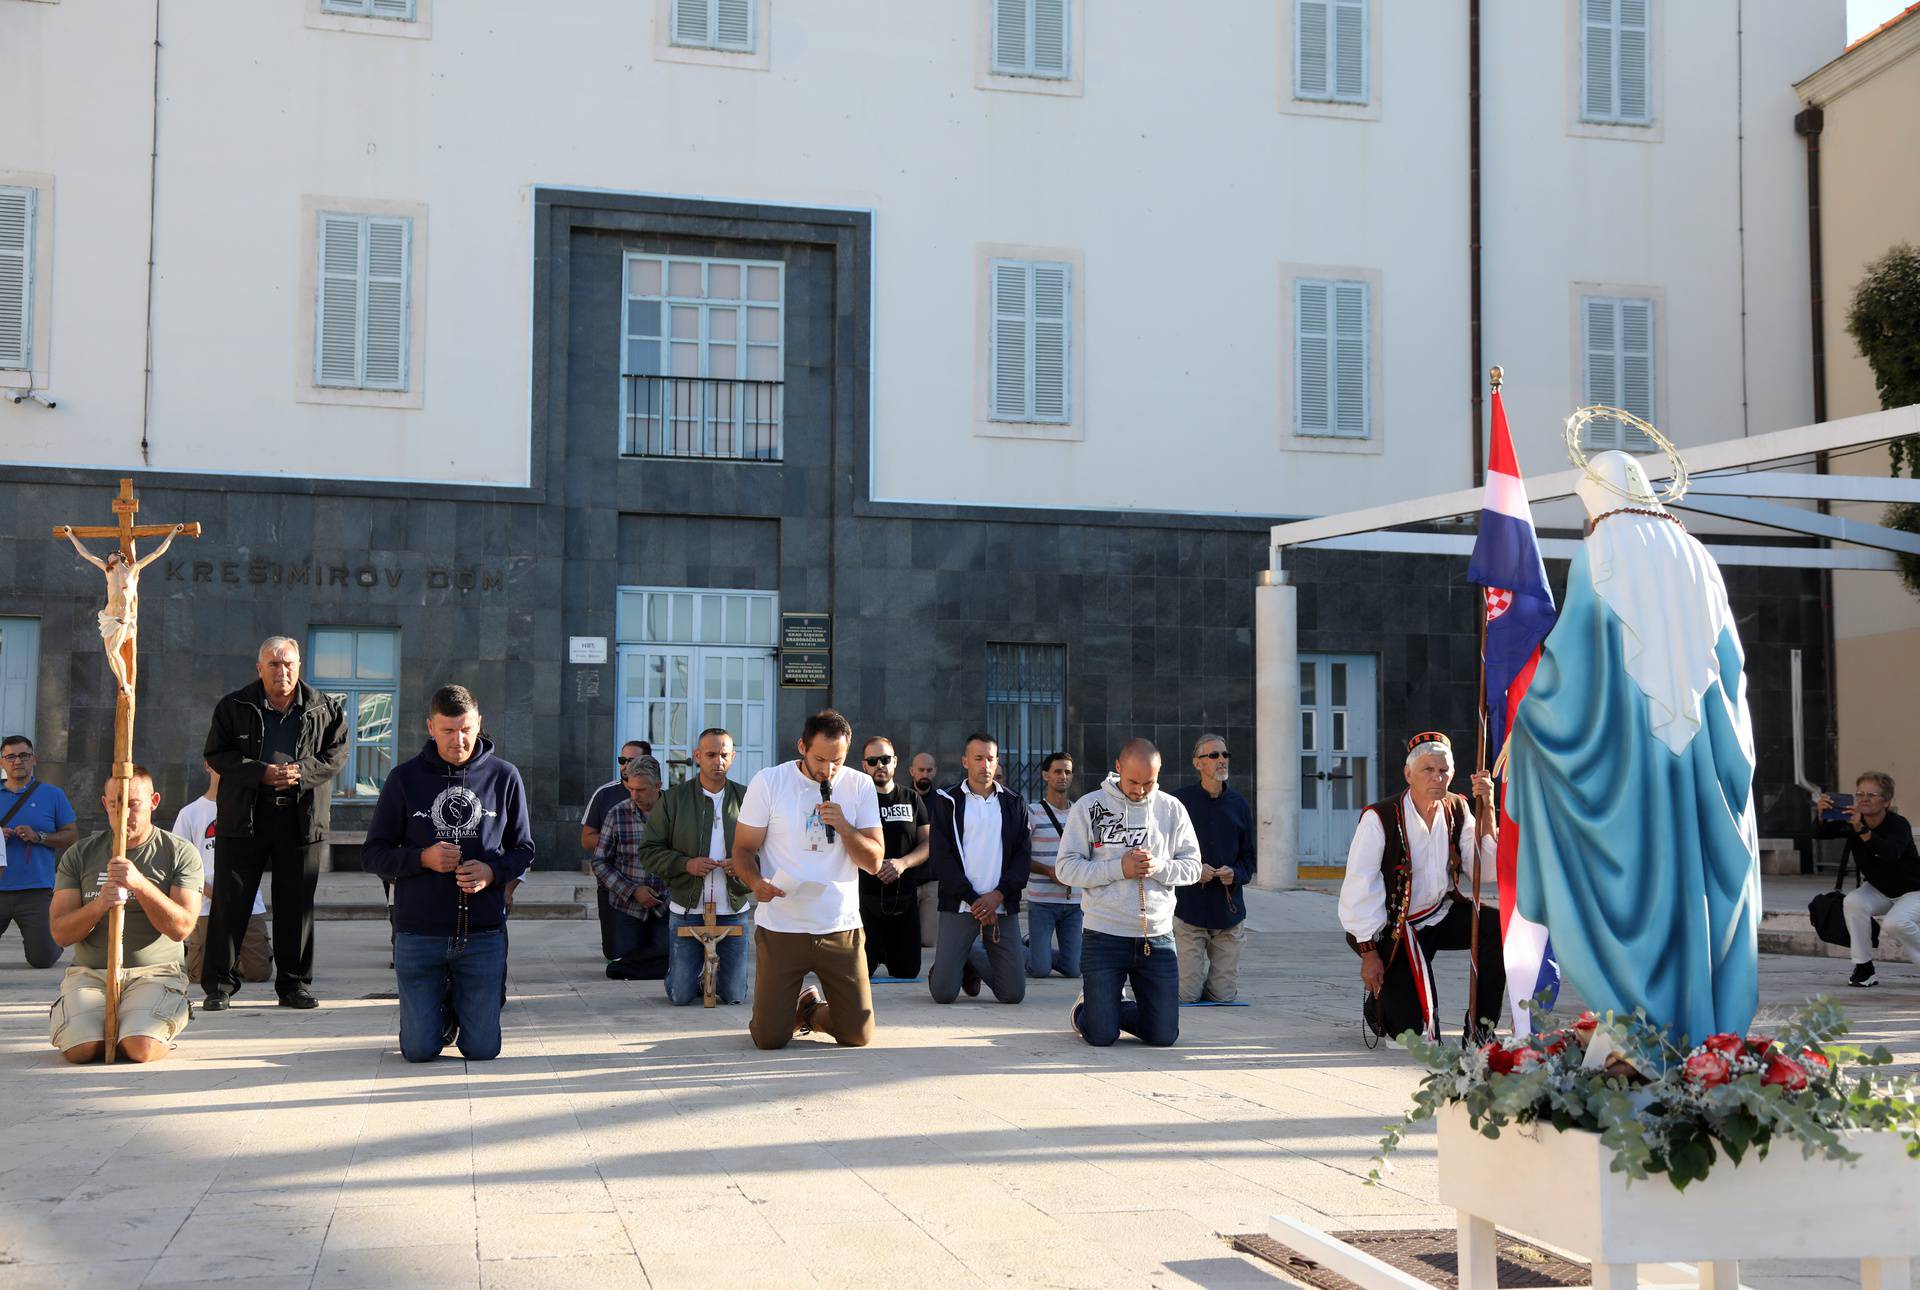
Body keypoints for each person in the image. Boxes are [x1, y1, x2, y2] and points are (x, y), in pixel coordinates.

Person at [1507, 450, 1761, 1045]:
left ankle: (1645, 1024)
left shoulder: (1600, 551)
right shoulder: (1700, 556)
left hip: (1629, 761)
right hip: (1700, 759)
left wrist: (1528, 715)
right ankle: (1709, 1039)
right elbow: (1732, 669)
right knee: (1696, 882)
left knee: (1636, 873)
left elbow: (1574, 664)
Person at [361, 685, 534, 1062]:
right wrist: (422, 858)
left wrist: (492, 871)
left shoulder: (505, 777)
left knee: (483, 1050)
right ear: (430, 727)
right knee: (420, 1051)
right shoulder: (404, 779)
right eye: (448, 731)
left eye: (466, 729)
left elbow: (524, 849)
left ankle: (462, 1007)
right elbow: (374, 853)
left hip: (483, 933)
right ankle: (437, 1012)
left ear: (479, 723)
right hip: (419, 932)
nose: (459, 740)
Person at [201, 636, 348, 1011]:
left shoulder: (324, 708)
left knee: (296, 905)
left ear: (299, 666)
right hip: (244, 817)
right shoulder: (234, 706)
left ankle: (294, 984)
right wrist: (261, 773)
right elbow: (217, 754)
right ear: (259, 668)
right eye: (274, 664)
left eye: (289, 664)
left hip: (301, 819)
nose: (282, 671)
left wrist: (300, 771)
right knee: (230, 903)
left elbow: (336, 754)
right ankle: (219, 984)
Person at [731, 710, 883, 1048]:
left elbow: (874, 862)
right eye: (820, 759)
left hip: (839, 925)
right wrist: (756, 884)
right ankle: (781, 1015)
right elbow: (742, 850)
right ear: (802, 746)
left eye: (837, 761)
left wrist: (844, 827)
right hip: (783, 925)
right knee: (769, 1039)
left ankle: (810, 1011)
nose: (828, 770)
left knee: (857, 1035)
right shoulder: (769, 782)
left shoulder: (859, 785)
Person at [1341, 732, 1503, 1045]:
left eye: (1443, 771)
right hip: (1393, 929)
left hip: (1438, 914)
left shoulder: (1457, 808)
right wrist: (1368, 952)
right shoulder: (1380, 817)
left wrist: (1488, 807)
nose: (1437, 777)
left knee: (1495, 926)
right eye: (1428, 770)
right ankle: (1381, 1006)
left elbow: (1487, 872)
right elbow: (1360, 884)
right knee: (1413, 1037)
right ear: (1408, 774)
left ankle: (1481, 1029)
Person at [47, 766, 200, 1063]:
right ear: (105, 804)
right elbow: (60, 933)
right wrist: (100, 904)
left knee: (139, 1048)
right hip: (91, 973)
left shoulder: (179, 852)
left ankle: (156, 1018)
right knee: (81, 1050)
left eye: (133, 804)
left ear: (154, 801)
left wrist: (140, 885)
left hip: (155, 972)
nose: (123, 813)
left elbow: (182, 928)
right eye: (115, 804)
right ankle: (101, 1022)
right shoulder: (80, 854)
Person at [1055, 739, 1201, 1046]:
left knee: (1163, 1037)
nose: (1140, 790)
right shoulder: (1089, 807)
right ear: (1118, 767)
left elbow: (1193, 869)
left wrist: (1159, 867)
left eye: (1149, 782)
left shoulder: (1172, 810)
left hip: (1158, 938)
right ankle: (1088, 1008)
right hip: (1103, 934)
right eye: (1133, 781)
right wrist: (1118, 869)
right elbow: (1065, 869)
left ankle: (1107, 1006)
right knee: (1101, 1036)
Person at [639, 728, 755, 1005]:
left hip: (732, 907)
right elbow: (648, 851)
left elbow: (768, 850)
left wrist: (742, 866)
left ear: (733, 756)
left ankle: (712, 976)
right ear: (697, 756)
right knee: (680, 996)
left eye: (724, 755)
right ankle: (686, 973)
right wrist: (685, 864)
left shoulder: (747, 798)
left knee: (734, 996)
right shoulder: (674, 799)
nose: (718, 761)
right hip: (687, 906)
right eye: (711, 755)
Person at [927, 733, 1030, 1005]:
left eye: (991, 758)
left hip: (1001, 904)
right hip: (961, 904)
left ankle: (969, 956)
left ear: (997, 762)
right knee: (944, 994)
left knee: (1013, 994)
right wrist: (975, 901)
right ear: (965, 761)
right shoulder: (946, 800)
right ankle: (953, 962)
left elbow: (1022, 858)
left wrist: (997, 896)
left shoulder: (1013, 802)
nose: (985, 764)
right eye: (978, 758)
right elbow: (941, 859)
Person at [1171, 734, 1255, 1003]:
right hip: (1189, 911)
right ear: (1198, 763)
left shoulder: (1239, 805)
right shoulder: (1178, 803)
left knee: (1224, 996)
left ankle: (1215, 984)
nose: (1221, 760)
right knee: (1186, 995)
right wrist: (1194, 870)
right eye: (1214, 755)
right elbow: (1164, 854)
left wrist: (1235, 874)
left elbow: (1248, 861)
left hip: (1228, 914)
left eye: (1225, 755)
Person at [172, 761, 272, 986]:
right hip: (205, 906)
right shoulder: (190, 814)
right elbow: (178, 867)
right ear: (208, 765)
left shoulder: (252, 811)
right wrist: (212, 893)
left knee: (259, 972)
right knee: (197, 975)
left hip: (247, 903)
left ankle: (234, 960)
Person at [1817, 772, 1920, 987]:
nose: (1864, 799)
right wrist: (1822, 813)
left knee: (1895, 922)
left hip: (1914, 890)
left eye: (1872, 794)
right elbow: (1822, 833)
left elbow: (1890, 853)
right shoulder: (1854, 820)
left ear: (1886, 801)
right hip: (1881, 890)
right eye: (1860, 794)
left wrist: (1861, 830)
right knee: (1854, 901)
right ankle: (1864, 968)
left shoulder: (1898, 824)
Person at [61, 523, 185, 697]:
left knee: (113, 651)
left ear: (121, 558)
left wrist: (173, 533)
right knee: (111, 655)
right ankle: (124, 684)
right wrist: (70, 535)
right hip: (108, 617)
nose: (109, 558)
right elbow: (86, 554)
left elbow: (156, 553)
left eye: (112, 556)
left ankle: (125, 685)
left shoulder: (133, 570)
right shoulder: (108, 571)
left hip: (122, 618)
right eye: (108, 557)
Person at [0, 735, 78, 969]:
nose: (17, 761)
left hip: (35, 891)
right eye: (10, 756)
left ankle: (53, 940)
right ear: (2, 762)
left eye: (24, 755)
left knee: (42, 959)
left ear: (34, 760)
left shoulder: (52, 795)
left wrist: (40, 837)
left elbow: (72, 836)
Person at [856, 736, 930, 979]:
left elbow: (929, 843)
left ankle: (891, 952)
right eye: (873, 760)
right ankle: (876, 952)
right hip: (866, 899)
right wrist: (871, 863)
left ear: (895, 762)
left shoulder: (912, 798)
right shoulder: (856, 801)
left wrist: (902, 863)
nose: (880, 765)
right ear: (864, 765)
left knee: (907, 971)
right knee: (862, 971)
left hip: (904, 899)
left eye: (885, 759)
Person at [591, 763, 670, 981]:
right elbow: (599, 862)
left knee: (670, 959)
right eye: (630, 788)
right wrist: (633, 890)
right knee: (624, 962)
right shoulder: (617, 814)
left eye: (641, 790)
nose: (634, 795)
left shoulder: (677, 813)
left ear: (658, 786)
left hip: (667, 905)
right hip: (628, 906)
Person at [582, 740, 648, 958]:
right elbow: (587, 838)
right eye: (622, 760)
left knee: (650, 951)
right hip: (613, 882)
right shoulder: (604, 794)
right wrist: (620, 843)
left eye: (632, 760)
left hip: (650, 884)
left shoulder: (661, 797)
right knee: (615, 953)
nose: (626, 765)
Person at [1025, 751, 1081, 979]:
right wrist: (1049, 871)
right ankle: (1019, 949)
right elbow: (1020, 857)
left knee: (1074, 969)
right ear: (1045, 775)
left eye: (1068, 772)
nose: (1063, 777)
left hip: (1075, 902)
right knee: (1040, 970)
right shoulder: (1032, 812)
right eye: (1058, 771)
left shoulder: (1081, 812)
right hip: (1042, 900)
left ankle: (1037, 950)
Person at [908, 752, 941, 948]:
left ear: (935, 772)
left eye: (929, 770)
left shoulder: (942, 803)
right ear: (912, 771)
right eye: (921, 770)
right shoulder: (903, 798)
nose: (925, 774)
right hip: (907, 879)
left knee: (929, 941)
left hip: (932, 880)